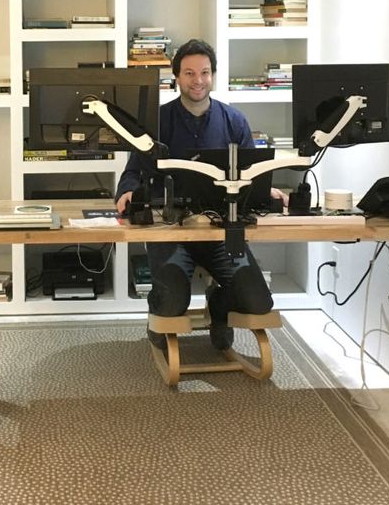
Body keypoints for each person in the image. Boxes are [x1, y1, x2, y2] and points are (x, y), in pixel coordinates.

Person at [115, 38, 281, 351]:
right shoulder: (157, 122)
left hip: (223, 232)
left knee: (258, 301)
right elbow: (133, 171)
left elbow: (252, 172)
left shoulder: (235, 120)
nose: (198, 81)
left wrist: (264, 187)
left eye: (204, 72)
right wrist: (126, 191)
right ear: (176, 77)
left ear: (213, 75)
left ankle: (219, 305)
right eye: (189, 73)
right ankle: (160, 315)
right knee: (171, 304)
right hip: (171, 232)